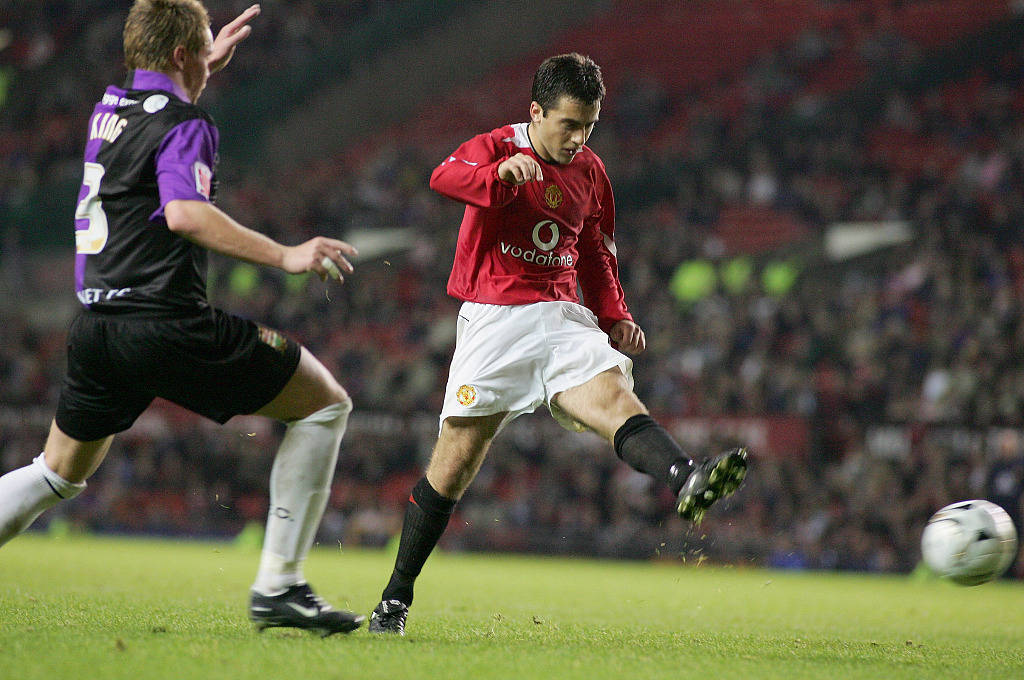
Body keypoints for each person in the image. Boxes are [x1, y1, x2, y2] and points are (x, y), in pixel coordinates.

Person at [0, 0, 364, 636]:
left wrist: (197, 67)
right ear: (180, 54)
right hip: (163, 322)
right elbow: (184, 213)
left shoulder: (109, 108)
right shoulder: (188, 122)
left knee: (56, 472)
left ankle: (282, 587)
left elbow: (156, 113)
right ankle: (280, 586)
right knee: (324, 404)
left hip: (95, 326)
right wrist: (286, 254)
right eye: (202, 46)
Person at [368, 53, 748, 635]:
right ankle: (395, 598)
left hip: (561, 315)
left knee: (615, 396)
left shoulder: (591, 172)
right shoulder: (497, 146)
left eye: (588, 126)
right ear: (536, 113)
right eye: (568, 125)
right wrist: (498, 177)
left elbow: (595, 251)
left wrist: (614, 315)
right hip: (495, 319)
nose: (578, 139)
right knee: (454, 464)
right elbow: (442, 177)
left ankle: (685, 476)